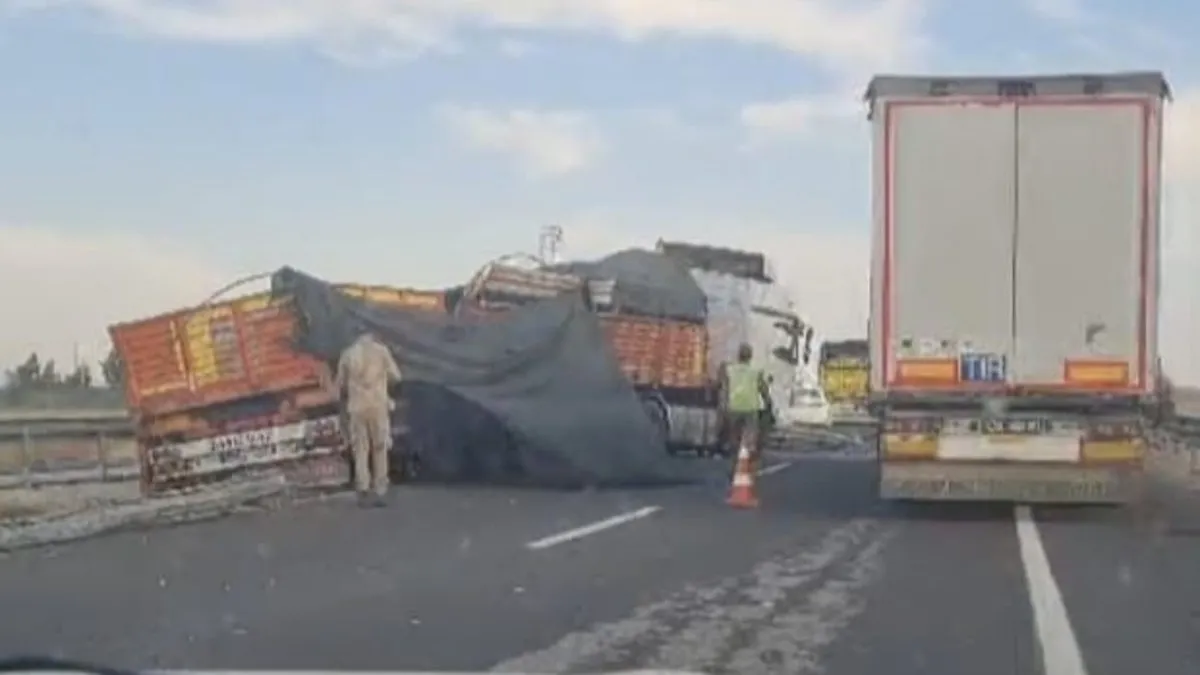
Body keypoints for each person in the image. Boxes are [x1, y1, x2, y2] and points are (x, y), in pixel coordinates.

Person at [332, 331, 403, 508]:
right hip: (378, 406)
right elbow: (396, 376)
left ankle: (363, 487)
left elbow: (339, 384)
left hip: (356, 408)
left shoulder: (347, 354)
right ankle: (380, 488)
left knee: (361, 449)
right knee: (380, 447)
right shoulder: (381, 351)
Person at [719, 343, 772, 468]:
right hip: (750, 407)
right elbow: (763, 388)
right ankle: (748, 454)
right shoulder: (756, 371)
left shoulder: (730, 370)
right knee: (750, 433)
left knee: (734, 436)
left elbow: (724, 389)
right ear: (750, 356)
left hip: (734, 406)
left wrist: (723, 405)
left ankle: (733, 459)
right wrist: (768, 401)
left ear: (738, 356)